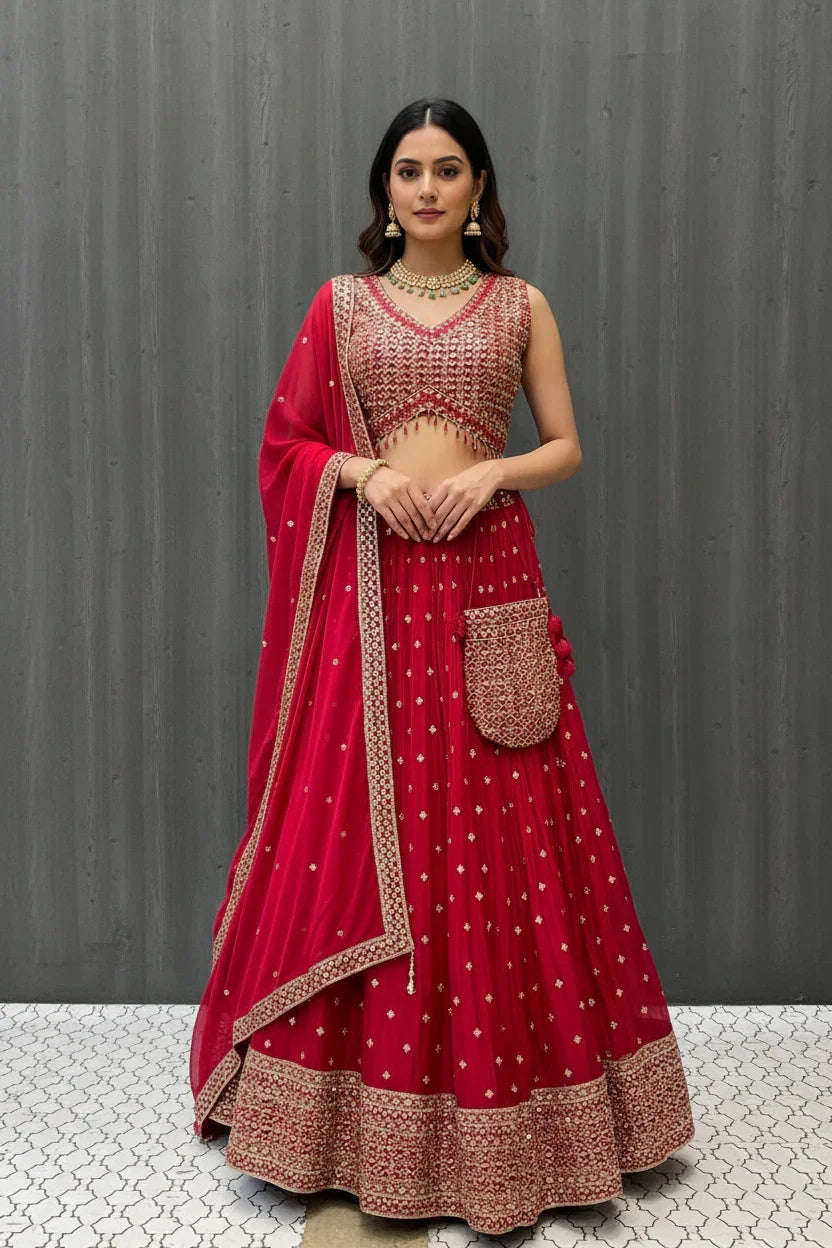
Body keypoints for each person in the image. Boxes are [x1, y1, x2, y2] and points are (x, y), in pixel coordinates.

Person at [189, 97, 695, 1237]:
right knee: (372, 833)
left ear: (478, 191)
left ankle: (526, 1128)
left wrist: (491, 476)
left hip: (487, 586)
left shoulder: (521, 306)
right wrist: (360, 477)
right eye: (408, 170)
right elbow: (287, 446)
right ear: (384, 191)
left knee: (502, 835)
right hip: (369, 602)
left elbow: (565, 444)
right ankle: (340, 1127)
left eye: (448, 170)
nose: (426, 188)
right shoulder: (339, 306)